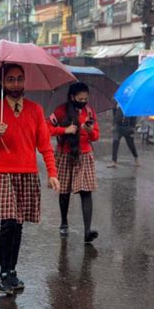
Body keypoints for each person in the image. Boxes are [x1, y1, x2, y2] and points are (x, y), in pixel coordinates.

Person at [0, 63, 60, 295]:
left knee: (19, 224)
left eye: (19, 79)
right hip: (2, 173)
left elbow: (44, 145)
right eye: (10, 79)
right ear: (2, 83)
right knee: (9, 222)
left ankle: (12, 271)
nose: (15, 84)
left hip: (27, 173)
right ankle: (3, 273)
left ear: (25, 82)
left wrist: (52, 173)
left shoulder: (35, 110)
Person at [47, 82, 100, 243]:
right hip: (65, 154)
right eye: (80, 98)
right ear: (72, 97)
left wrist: (89, 130)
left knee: (86, 191)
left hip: (84, 155)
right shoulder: (61, 111)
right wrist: (65, 130)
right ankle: (64, 221)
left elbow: (96, 136)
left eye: (86, 99)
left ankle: (87, 231)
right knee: (64, 191)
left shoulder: (89, 112)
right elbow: (47, 129)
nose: (83, 101)